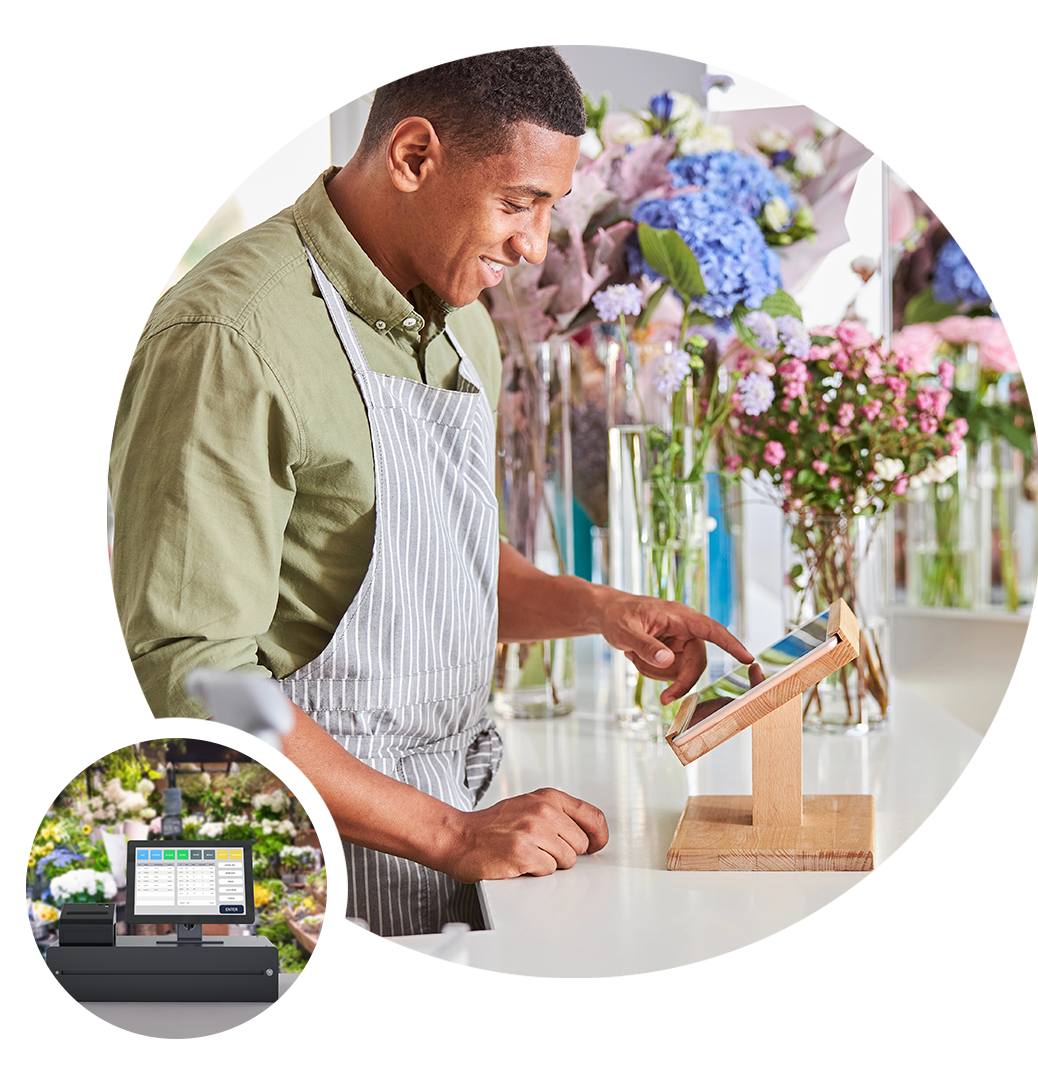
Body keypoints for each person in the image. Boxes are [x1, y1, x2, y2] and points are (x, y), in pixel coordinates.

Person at [109, 47, 754, 943]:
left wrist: (601, 610)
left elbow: (437, 563)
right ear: (414, 156)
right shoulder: (230, 335)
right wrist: (450, 834)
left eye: (551, 209)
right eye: (518, 202)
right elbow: (192, 688)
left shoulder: (463, 327)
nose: (534, 247)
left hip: (425, 846)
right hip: (264, 880)